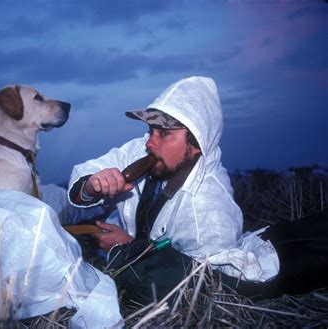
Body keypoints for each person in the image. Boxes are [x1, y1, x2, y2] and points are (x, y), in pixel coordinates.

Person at [67, 76, 279, 304]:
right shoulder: (146, 151)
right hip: (110, 244)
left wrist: (127, 249)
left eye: (164, 134)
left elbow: (197, 287)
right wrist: (92, 185)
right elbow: (89, 173)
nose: (149, 142)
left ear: (196, 143)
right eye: (151, 131)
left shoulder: (209, 210)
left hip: (131, 261)